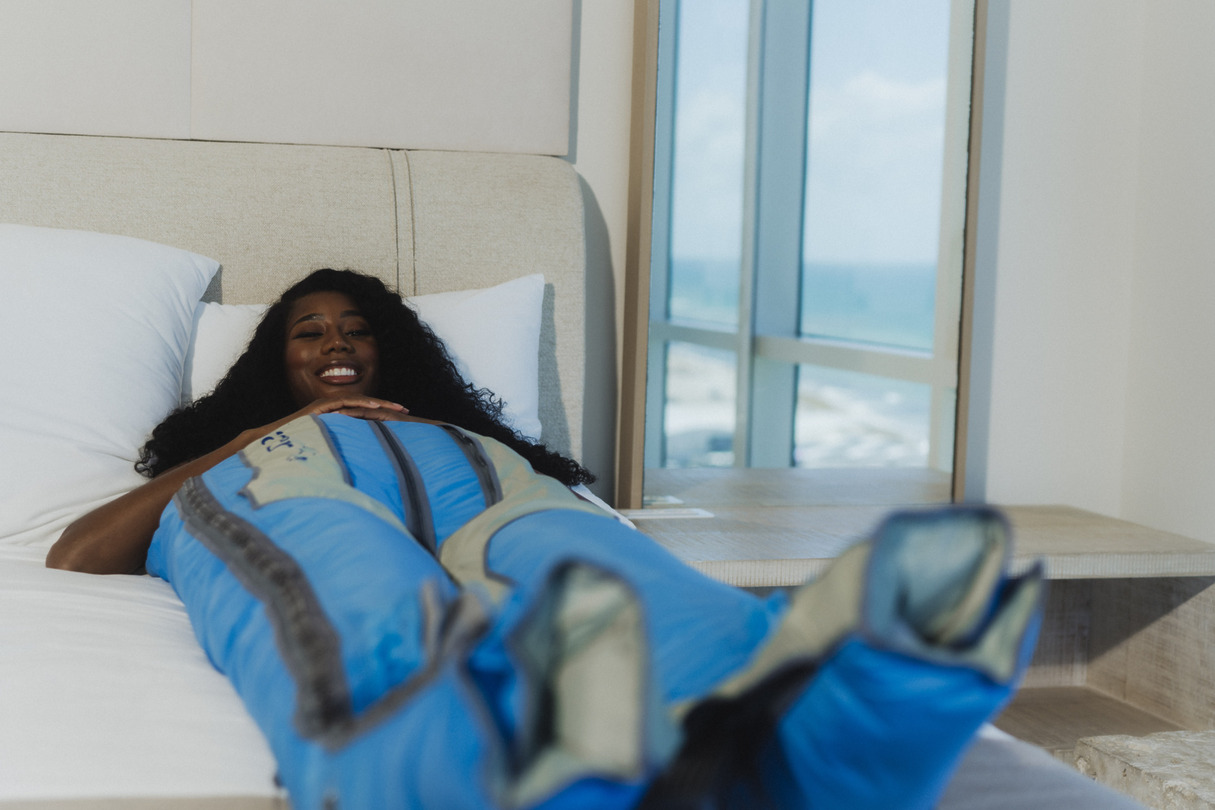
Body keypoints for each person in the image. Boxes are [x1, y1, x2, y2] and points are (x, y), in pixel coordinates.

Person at [47, 269, 1043, 810]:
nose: (339, 342)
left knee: (599, 565)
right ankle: (462, 759)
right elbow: (78, 553)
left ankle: (799, 726)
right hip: (291, 479)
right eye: (310, 331)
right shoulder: (243, 442)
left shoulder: (468, 430)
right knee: (342, 572)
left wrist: (462, 441)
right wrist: (245, 440)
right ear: (275, 360)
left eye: (358, 328)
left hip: (476, 475)